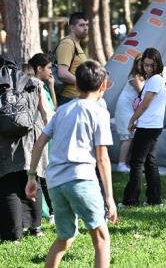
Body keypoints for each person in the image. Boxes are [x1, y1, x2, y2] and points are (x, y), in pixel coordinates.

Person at [25, 60, 117, 268]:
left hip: (56, 182)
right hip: (81, 179)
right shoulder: (99, 112)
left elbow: (39, 143)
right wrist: (110, 199)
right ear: (103, 85)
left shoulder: (63, 110)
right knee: (102, 240)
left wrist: (32, 176)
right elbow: (102, 158)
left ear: (76, 85)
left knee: (65, 238)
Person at [0, 56, 46, 241]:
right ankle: (36, 227)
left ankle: (13, 234)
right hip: (32, 138)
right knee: (32, 180)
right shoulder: (33, 82)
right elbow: (45, 112)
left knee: (9, 184)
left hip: (5, 143)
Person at [121, 48, 166, 207]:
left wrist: (132, 120)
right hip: (151, 125)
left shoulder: (154, 80)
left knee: (137, 163)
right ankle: (154, 199)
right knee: (149, 162)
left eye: (151, 65)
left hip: (148, 126)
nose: (147, 68)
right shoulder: (154, 79)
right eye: (145, 65)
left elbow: (145, 104)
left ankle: (130, 200)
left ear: (157, 64)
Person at [28, 54, 57, 223]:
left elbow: (52, 107)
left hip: (40, 132)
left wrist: (52, 87)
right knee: (43, 172)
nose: (51, 71)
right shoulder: (37, 85)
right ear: (39, 68)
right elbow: (47, 114)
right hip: (42, 133)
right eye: (48, 68)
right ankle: (51, 210)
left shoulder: (37, 84)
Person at [114, 55, 145, 173]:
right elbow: (142, 92)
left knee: (132, 137)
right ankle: (121, 164)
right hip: (125, 109)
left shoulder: (144, 78)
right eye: (139, 63)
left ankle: (128, 163)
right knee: (127, 137)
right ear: (136, 65)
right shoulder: (134, 77)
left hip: (132, 109)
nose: (141, 65)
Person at [56, 12, 89, 105]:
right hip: (69, 99)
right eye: (81, 25)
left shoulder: (76, 44)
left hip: (76, 97)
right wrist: (84, 84)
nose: (86, 28)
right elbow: (62, 73)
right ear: (72, 27)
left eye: (87, 25)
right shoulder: (67, 44)